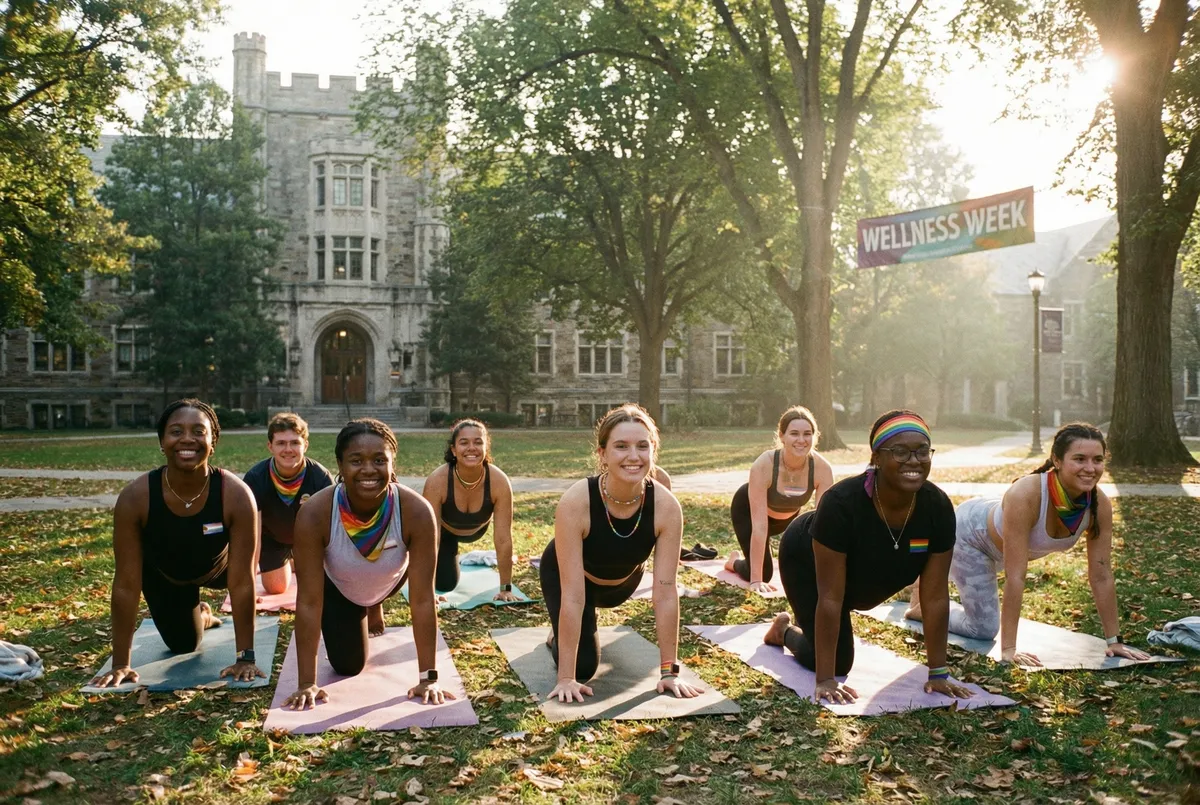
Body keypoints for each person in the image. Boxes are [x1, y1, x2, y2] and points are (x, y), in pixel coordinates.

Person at [764, 410, 973, 704]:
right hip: (805, 558)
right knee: (837, 662)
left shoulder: (937, 508)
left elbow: (936, 596)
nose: (913, 460)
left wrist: (938, 673)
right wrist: (825, 680)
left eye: (922, 451)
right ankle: (783, 631)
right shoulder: (841, 504)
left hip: (861, 579)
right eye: (900, 451)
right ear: (876, 457)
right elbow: (831, 597)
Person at [907, 422, 1150, 667]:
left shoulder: (1099, 505)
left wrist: (1114, 641)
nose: (1090, 468)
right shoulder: (1027, 494)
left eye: (1097, 460)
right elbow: (1016, 577)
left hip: (1003, 541)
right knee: (982, 628)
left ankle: (927, 578)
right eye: (1079, 459)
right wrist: (1009, 650)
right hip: (970, 536)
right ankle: (921, 605)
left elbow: (1101, 575)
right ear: (1057, 460)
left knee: (966, 582)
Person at [91, 399, 264, 688]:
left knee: (237, 576)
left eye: (199, 431)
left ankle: (203, 607)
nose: (187, 439)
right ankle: (202, 615)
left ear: (213, 442)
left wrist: (245, 657)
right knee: (184, 645)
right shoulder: (136, 497)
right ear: (162, 442)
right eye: (176, 431)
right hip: (166, 577)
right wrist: (121, 662)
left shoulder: (235, 494)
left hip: (219, 569)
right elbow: (126, 584)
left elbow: (243, 582)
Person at [282, 419, 451, 709]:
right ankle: (363, 607)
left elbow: (423, 600)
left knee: (385, 574)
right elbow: (309, 601)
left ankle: (375, 603)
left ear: (392, 462)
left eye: (379, 460)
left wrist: (428, 677)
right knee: (348, 665)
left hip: (389, 578)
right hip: (340, 587)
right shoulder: (315, 513)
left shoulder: (416, 512)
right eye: (356, 461)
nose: (368, 470)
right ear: (340, 463)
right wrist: (307, 682)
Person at [540, 404, 704, 702]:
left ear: (653, 451)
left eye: (643, 446)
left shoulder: (666, 507)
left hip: (622, 582)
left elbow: (666, 592)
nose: (633, 456)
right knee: (583, 666)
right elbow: (574, 596)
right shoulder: (577, 501)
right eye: (621, 446)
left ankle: (568, 636)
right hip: (573, 581)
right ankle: (556, 636)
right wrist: (566, 678)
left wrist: (669, 671)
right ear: (602, 454)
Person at [724, 406, 834, 593]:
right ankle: (734, 562)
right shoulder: (764, 464)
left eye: (807, 434)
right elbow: (759, 526)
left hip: (787, 519)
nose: (801, 440)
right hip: (748, 513)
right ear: (782, 436)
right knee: (762, 574)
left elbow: (822, 523)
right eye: (794, 434)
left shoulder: (822, 468)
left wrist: (824, 577)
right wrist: (756, 581)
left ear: (814, 437)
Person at [421, 419, 518, 601]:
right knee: (444, 585)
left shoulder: (499, 481)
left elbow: (504, 538)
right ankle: (451, 558)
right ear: (453, 449)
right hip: (446, 534)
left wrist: (506, 588)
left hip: (477, 530)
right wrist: (427, 590)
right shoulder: (437, 481)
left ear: (486, 447)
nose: (471, 448)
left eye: (478, 442)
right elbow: (430, 537)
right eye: (464, 442)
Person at [242, 413, 334, 595]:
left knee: (318, 585)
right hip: (272, 539)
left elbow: (332, 529)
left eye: (295, 443)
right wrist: (249, 586)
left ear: (305, 445)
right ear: (270, 446)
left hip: (308, 540)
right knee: (276, 588)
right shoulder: (255, 478)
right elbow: (253, 536)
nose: (288, 449)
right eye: (281, 443)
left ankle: (296, 559)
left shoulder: (320, 477)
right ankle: (289, 561)